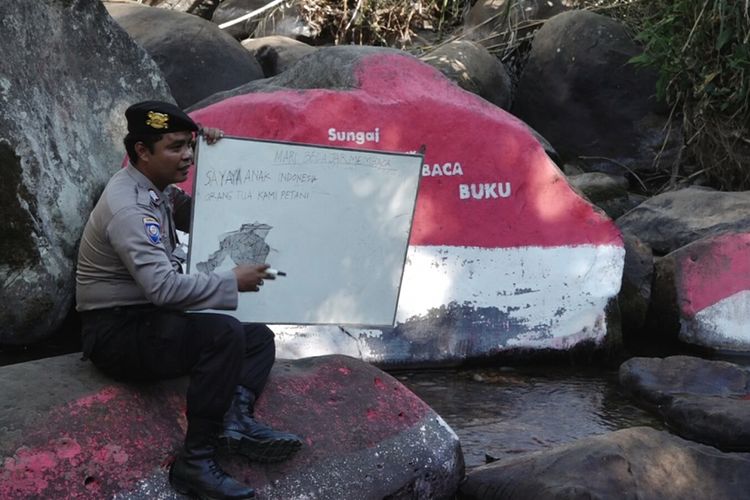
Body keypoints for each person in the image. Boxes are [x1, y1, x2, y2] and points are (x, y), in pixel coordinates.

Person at [76, 101, 302, 499]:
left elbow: (203, 216)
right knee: (223, 334)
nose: (188, 157)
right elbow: (162, 288)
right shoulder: (129, 206)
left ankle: (236, 418)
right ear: (142, 151)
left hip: (149, 319)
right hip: (115, 332)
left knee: (258, 338)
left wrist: (221, 157)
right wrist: (230, 281)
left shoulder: (155, 190)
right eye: (176, 147)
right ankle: (195, 462)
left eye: (191, 147)